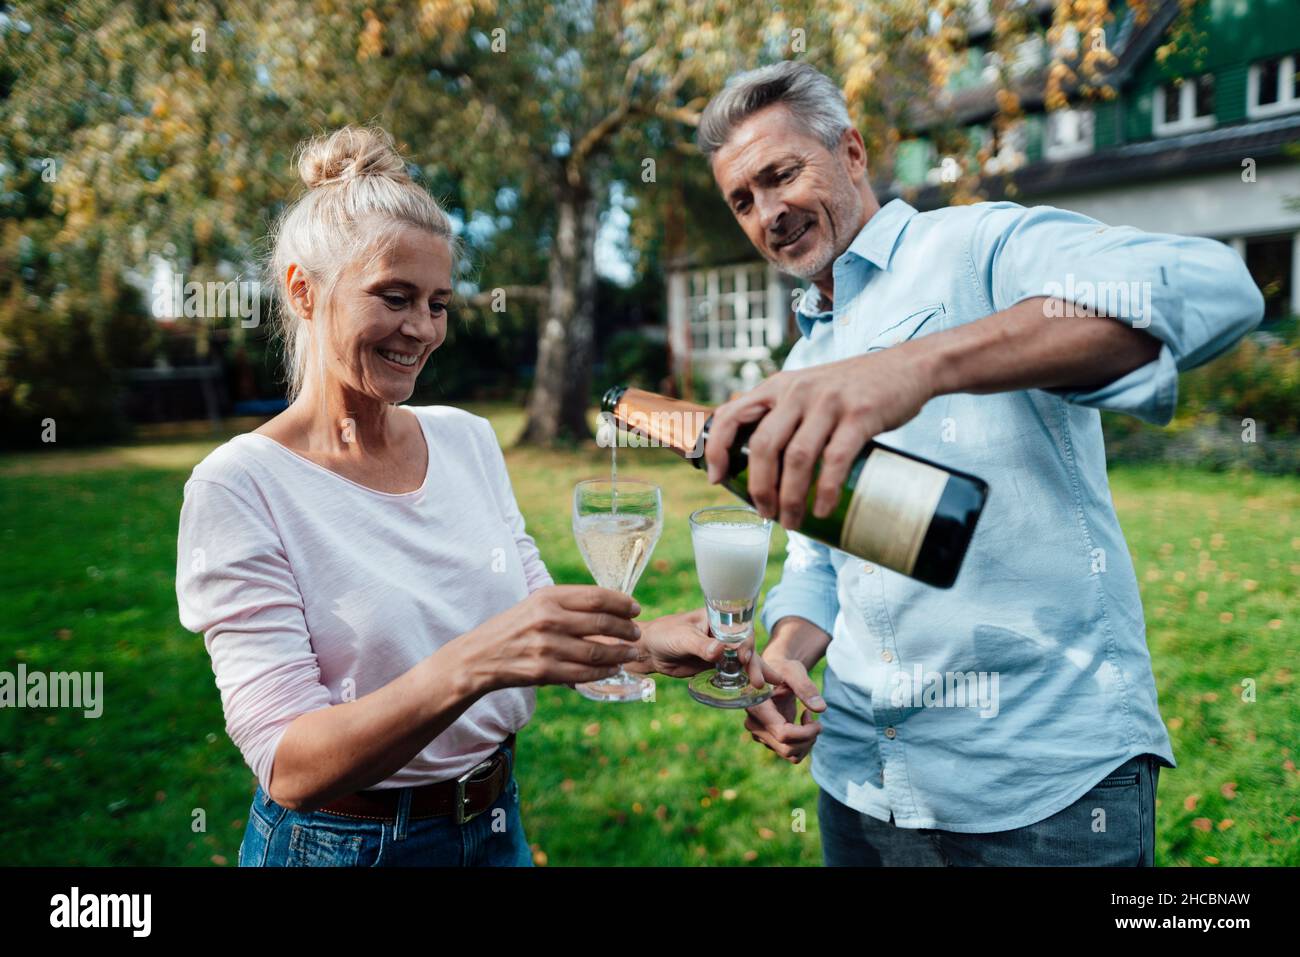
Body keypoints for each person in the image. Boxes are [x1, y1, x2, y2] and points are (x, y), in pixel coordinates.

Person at [693, 61, 1264, 865]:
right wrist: (788, 645)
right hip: (863, 785)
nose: (769, 213)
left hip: (1041, 790)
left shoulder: (975, 245)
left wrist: (918, 364)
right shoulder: (809, 347)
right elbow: (819, 555)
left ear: (851, 153)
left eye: (781, 174)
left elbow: (1213, 287)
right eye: (742, 201)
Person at [175, 125, 723, 867]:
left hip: (494, 820)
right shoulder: (239, 486)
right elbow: (289, 763)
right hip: (343, 845)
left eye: (438, 303)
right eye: (394, 297)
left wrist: (646, 644)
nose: (423, 329)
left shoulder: (466, 438)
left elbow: (530, 611)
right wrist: (476, 661)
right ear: (304, 291)